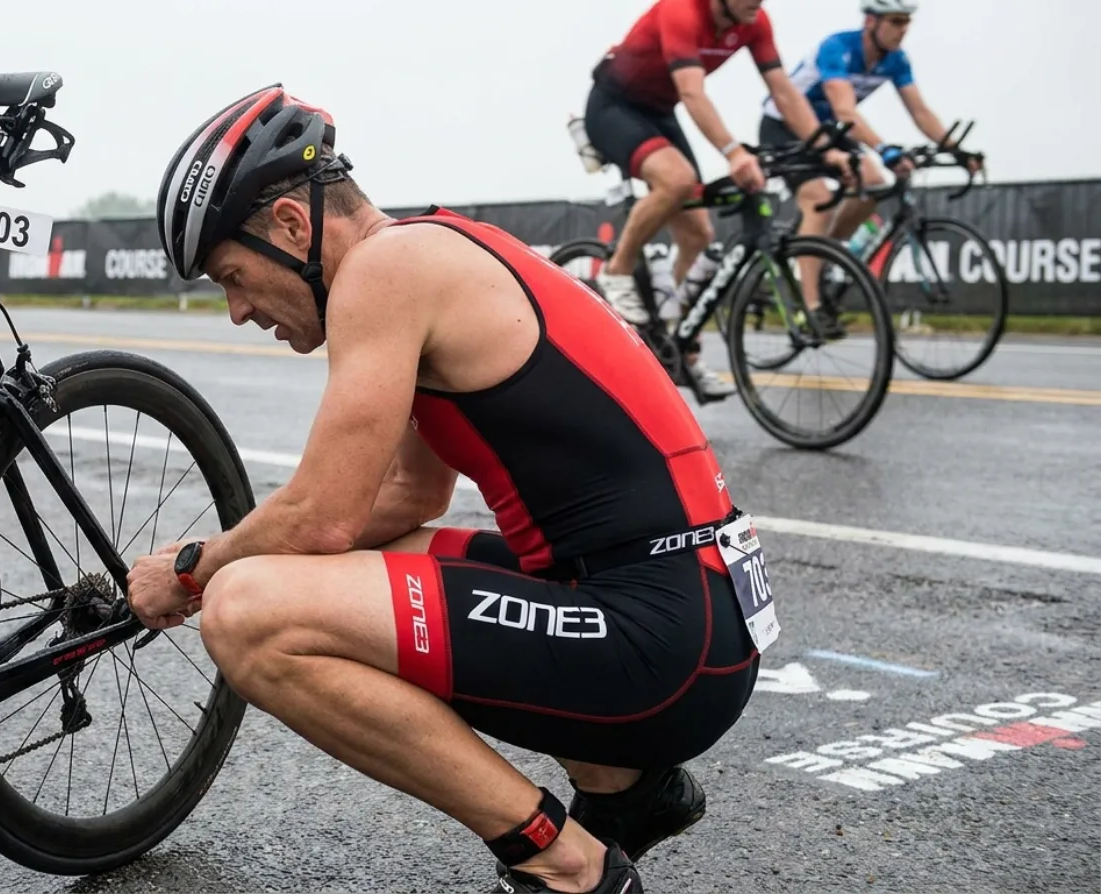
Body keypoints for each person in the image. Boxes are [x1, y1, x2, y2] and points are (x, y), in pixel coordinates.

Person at [131, 84, 772, 893]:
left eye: (233, 276)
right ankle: (629, 791)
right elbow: (405, 499)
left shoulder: (384, 272)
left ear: (293, 227)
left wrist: (192, 568)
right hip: (692, 610)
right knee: (360, 563)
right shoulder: (436, 245)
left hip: (665, 639)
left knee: (248, 612)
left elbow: (324, 518)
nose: (237, 310)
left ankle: (563, 864)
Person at [581, 0, 850, 398]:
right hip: (614, 106)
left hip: (659, 111)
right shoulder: (680, 11)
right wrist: (733, 152)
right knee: (676, 181)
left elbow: (783, 90)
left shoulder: (753, 20)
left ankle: (675, 346)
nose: (757, 3)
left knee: (698, 236)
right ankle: (617, 271)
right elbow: (692, 92)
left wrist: (824, 147)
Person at [758, 0, 981, 337]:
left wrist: (956, 150)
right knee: (818, 198)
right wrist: (885, 149)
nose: (902, 29)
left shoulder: (896, 60)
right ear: (871, 22)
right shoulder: (837, 48)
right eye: (895, 21)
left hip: (829, 129)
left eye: (906, 22)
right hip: (785, 126)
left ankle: (816, 249)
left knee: (874, 180)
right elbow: (845, 110)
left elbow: (919, 111)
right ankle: (810, 308)